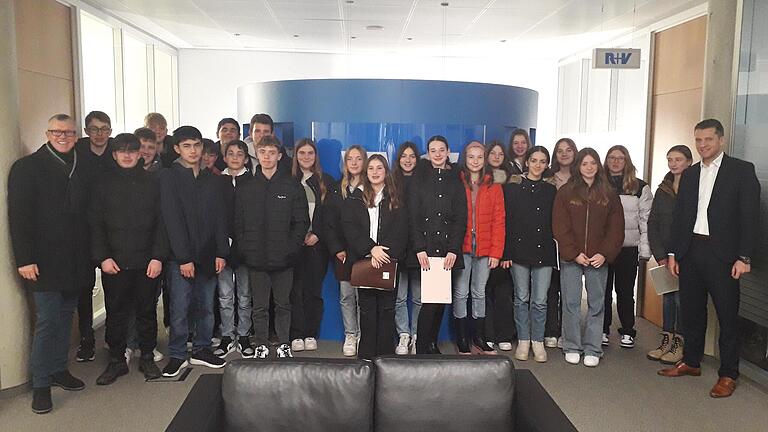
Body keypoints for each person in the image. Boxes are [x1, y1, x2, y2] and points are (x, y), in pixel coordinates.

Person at [659, 119, 760, 398]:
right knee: (691, 312)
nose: (703, 145)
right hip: (691, 251)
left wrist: (744, 257)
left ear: (721, 140)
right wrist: (673, 253)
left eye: (708, 140)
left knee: (727, 317)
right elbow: (680, 217)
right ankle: (691, 362)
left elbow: (750, 218)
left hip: (724, 256)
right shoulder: (690, 174)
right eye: (698, 141)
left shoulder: (741, 171)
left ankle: (728, 374)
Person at [8, 114, 93, 413]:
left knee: (66, 315)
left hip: (76, 260)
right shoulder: (27, 168)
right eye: (57, 131)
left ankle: (59, 370)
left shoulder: (82, 165)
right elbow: (18, 218)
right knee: (46, 321)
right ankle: (41, 385)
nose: (63, 136)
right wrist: (25, 259)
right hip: (42, 262)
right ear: (47, 133)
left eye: (69, 132)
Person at [88, 133, 167, 384]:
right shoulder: (101, 183)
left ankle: (146, 356)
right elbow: (95, 225)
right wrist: (103, 257)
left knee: (146, 311)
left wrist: (157, 257)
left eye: (132, 150)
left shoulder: (153, 182)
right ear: (114, 154)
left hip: (147, 261)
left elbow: (161, 224)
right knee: (116, 313)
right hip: (115, 262)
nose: (127, 155)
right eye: (121, 151)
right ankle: (116, 361)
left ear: (139, 154)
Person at [159, 126, 229, 377]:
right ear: (177, 148)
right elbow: (172, 219)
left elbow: (220, 218)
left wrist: (222, 252)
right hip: (181, 258)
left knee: (206, 306)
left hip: (209, 254)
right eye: (187, 146)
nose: (193, 151)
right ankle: (177, 354)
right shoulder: (169, 177)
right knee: (180, 307)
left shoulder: (212, 179)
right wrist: (183, 258)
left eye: (197, 145)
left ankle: (201, 349)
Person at [235, 135, 309, 359]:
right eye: (262, 152)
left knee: (283, 304)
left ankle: (284, 343)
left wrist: (292, 249)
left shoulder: (292, 186)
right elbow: (238, 223)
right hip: (256, 259)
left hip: (284, 259)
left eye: (271, 152)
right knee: (259, 306)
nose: (267, 156)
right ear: (257, 155)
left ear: (279, 155)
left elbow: (301, 222)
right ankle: (261, 344)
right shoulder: (246, 186)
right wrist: (246, 250)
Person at [553, 148, 624, 367]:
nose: (589, 167)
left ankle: (593, 348)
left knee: (597, 304)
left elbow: (616, 228)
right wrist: (574, 254)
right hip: (572, 258)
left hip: (598, 258)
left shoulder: (609, 193)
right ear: (578, 166)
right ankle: (572, 345)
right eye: (585, 163)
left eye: (593, 163)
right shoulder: (566, 192)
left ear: (598, 166)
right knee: (571, 302)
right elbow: (559, 225)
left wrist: (604, 253)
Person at [342, 155, 408, 360]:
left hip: (388, 261)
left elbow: (402, 230)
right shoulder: (356, 197)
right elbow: (349, 228)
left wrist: (384, 253)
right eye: (371, 168)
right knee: (367, 311)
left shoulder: (395, 197)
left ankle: (385, 358)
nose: (375, 172)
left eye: (380, 168)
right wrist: (371, 249)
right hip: (364, 260)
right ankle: (367, 358)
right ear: (366, 172)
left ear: (386, 172)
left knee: (387, 309)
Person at [410, 135, 467, 354]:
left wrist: (453, 249)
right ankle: (423, 347)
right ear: (428, 153)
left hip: (447, 250)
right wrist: (419, 247)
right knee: (430, 301)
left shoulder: (455, 180)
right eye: (433, 150)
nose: (437, 154)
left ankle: (431, 343)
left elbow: (460, 217)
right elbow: (413, 216)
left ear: (448, 151)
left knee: (441, 299)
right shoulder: (419, 178)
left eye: (441, 149)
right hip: (426, 249)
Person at [502, 146, 557, 362]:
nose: (537, 165)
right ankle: (524, 340)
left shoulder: (551, 190)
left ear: (547, 165)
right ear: (527, 162)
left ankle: (538, 340)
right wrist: (506, 252)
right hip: (518, 250)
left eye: (542, 161)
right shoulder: (513, 188)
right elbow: (507, 222)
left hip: (543, 249)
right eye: (534, 160)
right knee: (521, 298)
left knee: (540, 300)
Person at [452, 141, 504, 355]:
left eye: (479, 157)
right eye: (471, 157)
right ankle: (462, 338)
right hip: (462, 248)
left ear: (485, 160)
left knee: (479, 292)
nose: (475, 161)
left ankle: (479, 337)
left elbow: (499, 221)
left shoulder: (494, 186)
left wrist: (496, 252)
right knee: (461, 292)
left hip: (484, 250)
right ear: (465, 159)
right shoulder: (457, 183)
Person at [73, 110, 115, 362]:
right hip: (82, 229)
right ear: (86, 131)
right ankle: (87, 338)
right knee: (84, 286)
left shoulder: (117, 150)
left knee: (114, 286)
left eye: (104, 128)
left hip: (112, 229)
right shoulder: (75, 151)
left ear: (110, 130)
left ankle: (113, 337)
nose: (99, 133)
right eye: (94, 129)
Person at [602, 145, 653, 348]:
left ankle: (628, 330)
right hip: (603, 248)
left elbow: (645, 220)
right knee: (602, 292)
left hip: (628, 247)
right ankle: (603, 329)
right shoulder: (598, 184)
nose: (615, 162)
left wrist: (645, 248)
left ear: (627, 161)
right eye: (611, 157)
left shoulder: (639, 187)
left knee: (625, 291)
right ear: (606, 161)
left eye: (620, 158)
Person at [646, 145, 693, 364]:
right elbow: (653, 222)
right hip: (665, 254)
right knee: (668, 298)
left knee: (682, 300)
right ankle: (666, 340)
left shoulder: (695, 187)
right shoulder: (663, 189)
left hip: (687, 254)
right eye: (670, 159)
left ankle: (680, 344)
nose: (673, 163)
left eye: (678, 159)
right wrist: (660, 254)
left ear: (689, 162)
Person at [289, 139, 333, 353]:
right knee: (294, 291)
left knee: (313, 291)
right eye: (302, 153)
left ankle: (310, 333)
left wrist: (318, 234)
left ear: (316, 156)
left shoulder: (327, 181)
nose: (306, 157)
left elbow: (332, 217)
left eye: (310, 153)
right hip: (292, 245)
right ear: (296, 156)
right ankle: (296, 334)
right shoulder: (287, 180)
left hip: (317, 246)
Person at [323, 145, 367, 356]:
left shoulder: (371, 188)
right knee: (346, 295)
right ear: (345, 163)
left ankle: (364, 335)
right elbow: (328, 222)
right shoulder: (335, 188)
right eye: (351, 159)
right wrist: (337, 248)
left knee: (364, 297)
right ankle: (351, 334)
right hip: (343, 253)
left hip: (364, 252)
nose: (355, 163)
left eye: (359, 159)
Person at [212, 140, 254, 358]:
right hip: (222, 247)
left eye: (240, 154)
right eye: (231, 153)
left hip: (246, 248)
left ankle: (245, 334)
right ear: (225, 157)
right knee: (225, 295)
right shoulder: (217, 182)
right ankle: (228, 335)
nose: (235, 157)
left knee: (245, 295)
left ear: (246, 158)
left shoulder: (253, 182)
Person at [543, 138, 577, 348]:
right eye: (559, 151)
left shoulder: (582, 176)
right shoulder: (547, 177)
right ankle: (551, 330)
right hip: (549, 237)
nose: (564, 154)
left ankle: (568, 332)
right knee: (550, 287)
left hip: (574, 238)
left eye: (568, 150)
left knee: (570, 290)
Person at [483, 141, 516, 351]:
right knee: (483, 293)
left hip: (505, 246)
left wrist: (506, 251)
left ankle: (505, 333)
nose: (496, 156)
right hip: (484, 246)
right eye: (492, 153)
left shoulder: (512, 182)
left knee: (504, 293)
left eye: (500, 153)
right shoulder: (481, 181)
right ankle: (488, 334)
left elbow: (509, 219)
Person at [392, 141, 422, 354]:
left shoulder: (425, 181)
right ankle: (403, 335)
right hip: (398, 247)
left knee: (420, 297)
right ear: (398, 158)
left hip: (420, 247)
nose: (408, 160)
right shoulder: (392, 181)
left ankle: (417, 335)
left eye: (412, 156)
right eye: (404, 156)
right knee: (400, 297)